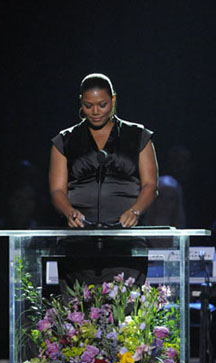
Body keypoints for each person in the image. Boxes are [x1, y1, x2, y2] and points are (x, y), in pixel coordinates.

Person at [49, 73, 158, 285]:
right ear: (81, 102)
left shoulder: (138, 136)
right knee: (79, 313)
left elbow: (150, 185)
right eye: (88, 105)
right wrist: (68, 211)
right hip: (78, 245)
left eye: (102, 104)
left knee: (124, 313)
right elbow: (57, 191)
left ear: (114, 100)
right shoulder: (65, 140)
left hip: (125, 243)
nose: (95, 112)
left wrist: (135, 210)